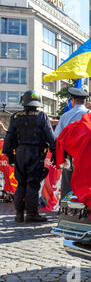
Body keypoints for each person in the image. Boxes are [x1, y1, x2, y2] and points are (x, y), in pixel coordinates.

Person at [2, 91, 56, 223]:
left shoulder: (15, 116)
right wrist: (55, 152)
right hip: (36, 154)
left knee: (21, 184)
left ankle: (19, 214)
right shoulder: (41, 116)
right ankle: (31, 214)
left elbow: (9, 138)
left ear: (23, 102)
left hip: (20, 154)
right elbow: (50, 137)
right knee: (33, 184)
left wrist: (10, 156)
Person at [53, 87, 90, 200]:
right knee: (85, 183)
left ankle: (65, 210)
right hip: (87, 156)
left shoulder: (65, 116)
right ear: (85, 101)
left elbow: (56, 136)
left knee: (68, 184)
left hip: (70, 156)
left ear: (72, 101)